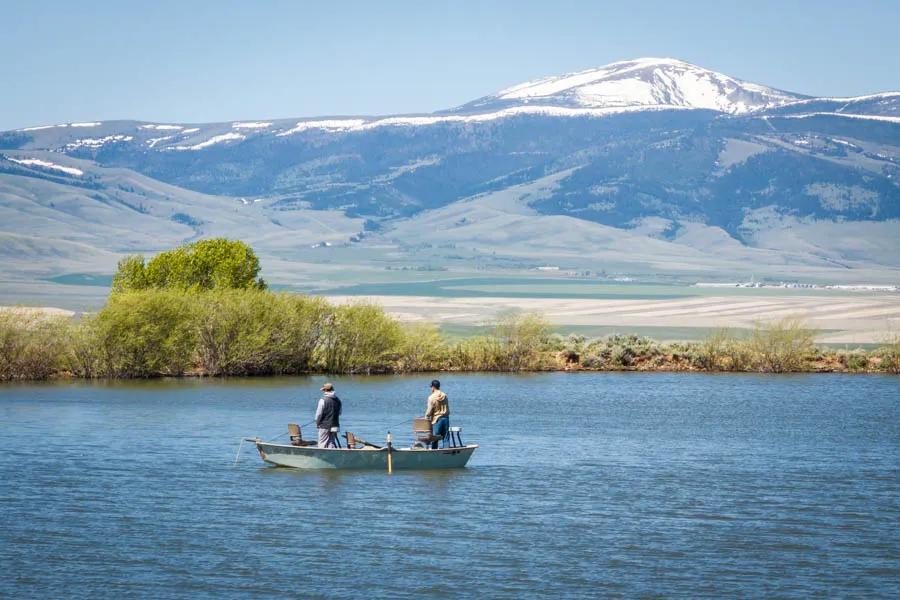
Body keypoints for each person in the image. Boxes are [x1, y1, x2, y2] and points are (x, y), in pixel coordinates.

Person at [315, 382, 342, 448]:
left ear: (325, 390)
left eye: (324, 390)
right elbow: (340, 413)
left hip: (324, 425)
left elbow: (318, 414)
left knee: (322, 442)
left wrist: (317, 423)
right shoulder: (338, 400)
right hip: (335, 425)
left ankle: (321, 456)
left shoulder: (322, 400)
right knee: (331, 442)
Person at [425, 379, 450, 449]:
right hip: (446, 418)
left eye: (431, 387)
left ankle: (434, 453)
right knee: (446, 437)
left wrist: (426, 416)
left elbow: (429, 412)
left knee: (435, 438)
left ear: (433, 387)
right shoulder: (445, 395)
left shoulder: (431, 397)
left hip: (437, 420)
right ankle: (446, 453)